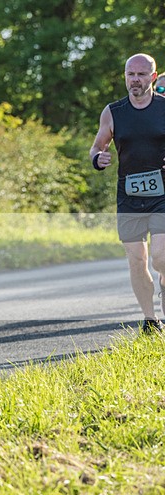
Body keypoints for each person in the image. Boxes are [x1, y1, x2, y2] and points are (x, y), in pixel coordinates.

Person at [90, 53, 165, 334]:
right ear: (124, 76)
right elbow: (98, 146)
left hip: (163, 193)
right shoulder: (113, 112)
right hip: (129, 194)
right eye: (130, 74)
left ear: (153, 77)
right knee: (137, 259)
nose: (135, 80)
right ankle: (150, 321)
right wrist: (97, 159)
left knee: (161, 256)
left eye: (142, 75)